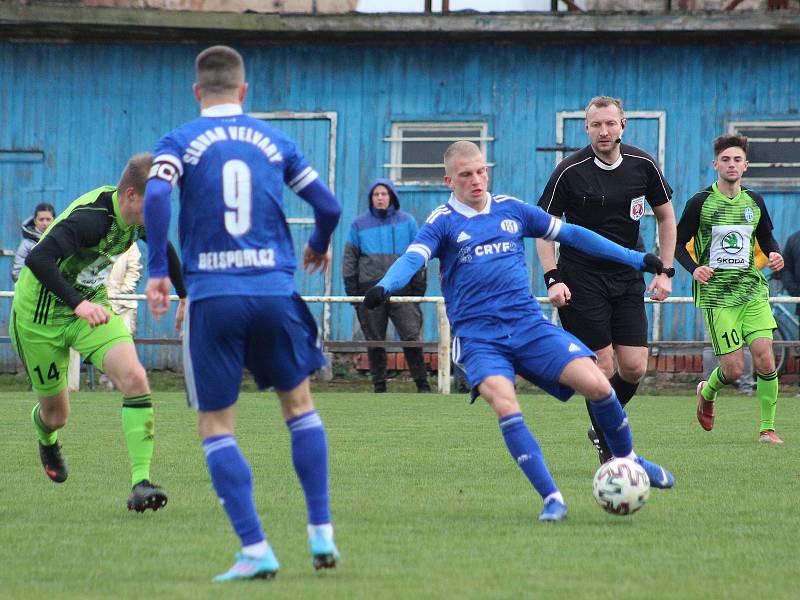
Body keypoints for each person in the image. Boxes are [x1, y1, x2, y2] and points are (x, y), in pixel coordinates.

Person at [364, 141, 674, 523]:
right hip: (480, 339)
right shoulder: (441, 222)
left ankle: (628, 459)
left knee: (599, 385)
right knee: (508, 405)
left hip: (528, 327)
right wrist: (385, 285)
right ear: (449, 180)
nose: (476, 180)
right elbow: (413, 258)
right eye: (466, 175)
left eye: (481, 171)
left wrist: (635, 258)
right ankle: (552, 499)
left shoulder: (511, 209)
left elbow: (573, 235)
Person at [143, 45, 343, 582]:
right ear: (244, 90)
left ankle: (255, 547)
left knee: (216, 425)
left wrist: (159, 267)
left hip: (214, 296)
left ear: (196, 92)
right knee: (299, 407)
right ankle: (320, 530)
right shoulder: (275, 141)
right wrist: (320, 244)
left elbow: (157, 196)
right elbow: (328, 205)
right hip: (275, 291)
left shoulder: (180, 141)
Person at [9, 153, 186, 511]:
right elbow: (37, 259)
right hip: (38, 319)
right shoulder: (91, 219)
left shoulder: (141, 218)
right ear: (132, 195)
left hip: (91, 310)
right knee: (57, 415)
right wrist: (77, 303)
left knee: (135, 377)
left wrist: (187, 295)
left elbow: (164, 248)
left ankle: (141, 483)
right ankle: (46, 436)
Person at [536, 95, 677, 464]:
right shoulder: (569, 170)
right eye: (596, 124)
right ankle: (611, 444)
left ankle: (600, 426)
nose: (604, 131)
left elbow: (665, 217)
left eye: (610, 123)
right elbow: (542, 230)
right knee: (603, 365)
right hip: (580, 278)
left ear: (622, 126)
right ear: (586, 128)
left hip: (627, 276)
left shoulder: (642, 164)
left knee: (633, 368)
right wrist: (553, 279)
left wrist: (665, 270)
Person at [675, 134, 784, 444]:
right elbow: (678, 244)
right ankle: (706, 392)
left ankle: (767, 428)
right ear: (715, 164)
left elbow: (767, 239)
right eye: (726, 159)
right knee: (734, 370)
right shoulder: (700, 202)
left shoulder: (755, 201)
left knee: (764, 358)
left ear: (745, 165)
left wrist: (774, 254)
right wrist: (695, 268)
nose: (732, 164)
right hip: (719, 296)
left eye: (737, 159)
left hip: (751, 291)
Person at [343, 179, 430, 393]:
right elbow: (349, 260)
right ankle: (379, 385)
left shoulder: (407, 222)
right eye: (376, 194)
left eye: (384, 193)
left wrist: (417, 289)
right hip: (370, 292)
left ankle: (423, 385)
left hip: (403, 291)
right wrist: (354, 295)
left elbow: (419, 255)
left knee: (411, 336)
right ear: (371, 199)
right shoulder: (358, 225)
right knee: (375, 340)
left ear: (391, 196)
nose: (380, 198)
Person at [99, 244, 143, 390]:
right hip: (100, 300)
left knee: (125, 340)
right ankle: (108, 380)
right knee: (103, 341)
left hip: (124, 302)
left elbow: (134, 269)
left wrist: (123, 291)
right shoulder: (100, 237)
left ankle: (127, 380)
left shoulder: (131, 244)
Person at [12, 203, 55, 283]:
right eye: (41, 219)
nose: (45, 223)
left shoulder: (59, 241)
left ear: (54, 220)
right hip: (31, 290)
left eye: (48, 219)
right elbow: (17, 273)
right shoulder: (26, 244)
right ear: (35, 221)